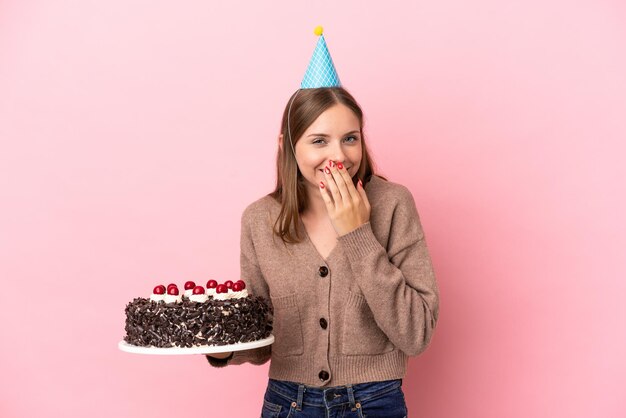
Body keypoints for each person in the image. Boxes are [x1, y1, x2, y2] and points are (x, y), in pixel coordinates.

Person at [206, 27, 439, 418]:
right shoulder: (259, 220)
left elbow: (416, 334)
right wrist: (223, 346)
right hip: (287, 403)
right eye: (319, 141)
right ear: (288, 146)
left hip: (374, 402)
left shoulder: (394, 204)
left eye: (350, 138)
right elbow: (263, 338)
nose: (339, 156)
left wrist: (358, 234)